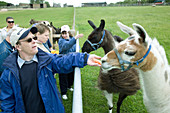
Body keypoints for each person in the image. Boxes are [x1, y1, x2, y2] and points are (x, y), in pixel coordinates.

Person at [0, 26, 101, 113]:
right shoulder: (8, 74)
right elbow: (7, 104)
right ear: (18, 46)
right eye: (29, 40)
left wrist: (84, 58)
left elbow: (62, 60)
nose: (34, 42)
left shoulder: (45, 59)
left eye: (34, 38)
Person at [58, 25, 83, 100]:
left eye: (66, 33)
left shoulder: (72, 39)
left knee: (70, 75)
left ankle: (69, 86)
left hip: (71, 62)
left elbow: (77, 48)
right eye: (63, 33)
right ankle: (64, 92)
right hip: (63, 62)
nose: (64, 35)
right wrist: (75, 38)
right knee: (63, 77)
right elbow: (66, 46)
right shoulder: (61, 41)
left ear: (69, 33)